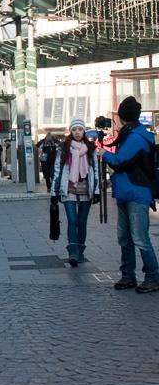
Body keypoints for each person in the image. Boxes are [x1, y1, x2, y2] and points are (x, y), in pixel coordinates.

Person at [101, 96, 159, 293]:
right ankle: (128, 275)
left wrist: (104, 154)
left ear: (123, 117)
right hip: (127, 191)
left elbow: (120, 161)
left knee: (140, 237)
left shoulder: (136, 138)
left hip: (135, 193)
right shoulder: (132, 135)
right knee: (125, 237)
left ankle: (153, 276)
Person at [50, 119, 100, 266]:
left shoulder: (91, 148)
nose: (77, 132)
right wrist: (54, 192)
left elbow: (95, 171)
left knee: (82, 222)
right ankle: (73, 253)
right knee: (72, 221)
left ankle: (80, 251)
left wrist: (96, 191)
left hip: (86, 189)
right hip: (68, 188)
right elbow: (57, 171)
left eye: (80, 129)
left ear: (84, 131)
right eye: (74, 129)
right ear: (70, 131)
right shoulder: (63, 148)